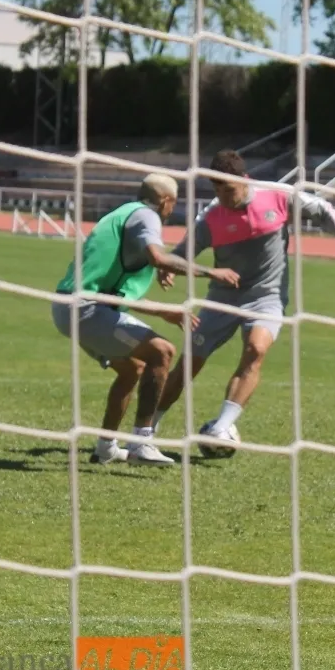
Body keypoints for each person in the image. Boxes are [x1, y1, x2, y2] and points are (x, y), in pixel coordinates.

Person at [155, 149, 335, 456]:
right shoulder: (211, 216)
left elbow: (321, 208)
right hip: (222, 298)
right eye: (218, 191)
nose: (224, 198)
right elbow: (184, 252)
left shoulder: (276, 195)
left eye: (229, 190)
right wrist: (169, 268)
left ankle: (222, 426)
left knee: (256, 349)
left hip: (267, 296)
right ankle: (148, 427)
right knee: (190, 363)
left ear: (245, 180)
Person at [51, 173, 240, 466]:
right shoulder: (147, 216)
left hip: (70, 307)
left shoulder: (122, 213)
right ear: (165, 201)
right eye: (173, 204)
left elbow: (116, 296)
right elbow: (158, 258)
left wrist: (162, 310)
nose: (171, 210)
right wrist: (212, 272)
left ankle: (106, 447)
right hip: (86, 310)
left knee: (133, 368)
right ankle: (141, 441)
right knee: (162, 351)